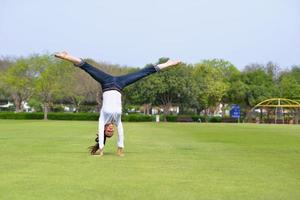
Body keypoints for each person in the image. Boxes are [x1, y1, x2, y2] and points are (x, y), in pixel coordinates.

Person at [54, 52, 181, 157]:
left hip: (107, 83)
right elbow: (121, 134)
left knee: (87, 67)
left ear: (104, 130)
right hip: (120, 84)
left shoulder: (102, 120)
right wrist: (120, 149)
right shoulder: (117, 121)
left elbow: (100, 130)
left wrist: (101, 150)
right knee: (144, 72)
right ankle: (168, 64)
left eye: (108, 131)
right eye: (111, 132)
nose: (111, 130)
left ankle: (67, 56)